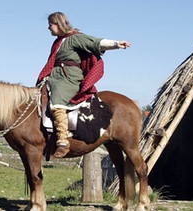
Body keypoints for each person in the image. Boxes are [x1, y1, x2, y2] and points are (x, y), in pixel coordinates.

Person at [36, 12, 131, 158]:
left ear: (58, 24)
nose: (49, 28)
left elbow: (95, 42)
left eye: (50, 25)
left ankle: (62, 141)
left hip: (68, 78)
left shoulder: (75, 38)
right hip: (55, 78)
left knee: (57, 104)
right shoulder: (58, 42)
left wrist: (116, 44)